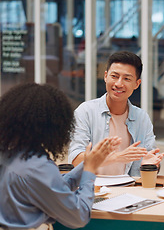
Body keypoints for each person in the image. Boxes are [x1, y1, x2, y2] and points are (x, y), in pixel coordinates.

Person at [0, 83, 120, 229]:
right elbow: (79, 217)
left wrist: (89, 163)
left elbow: (53, 188)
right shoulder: (37, 166)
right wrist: (89, 172)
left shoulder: (12, 154)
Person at [68, 51, 164, 177]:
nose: (119, 84)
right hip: (93, 189)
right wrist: (116, 157)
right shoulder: (86, 111)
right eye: (114, 76)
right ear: (105, 76)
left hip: (129, 190)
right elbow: (76, 159)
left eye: (126, 78)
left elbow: (150, 159)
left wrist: (149, 165)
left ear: (136, 84)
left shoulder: (142, 118)